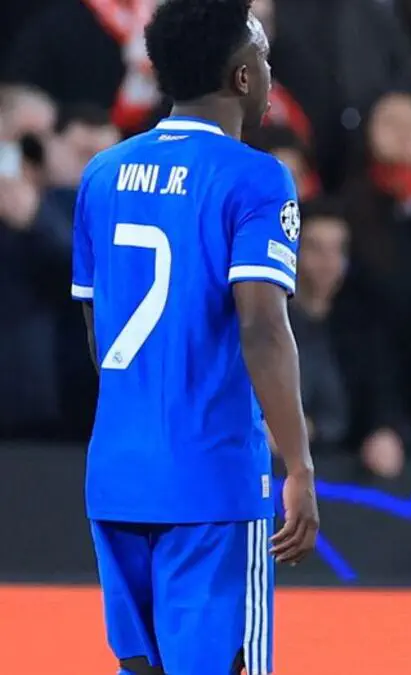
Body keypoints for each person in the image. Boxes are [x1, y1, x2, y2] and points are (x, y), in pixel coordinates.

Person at [70, 1, 319, 673]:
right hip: (212, 479)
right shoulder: (256, 177)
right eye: (263, 59)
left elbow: (97, 331)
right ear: (242, 77)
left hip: (118, 474)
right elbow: (262, 326)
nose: (269, 73)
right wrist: (298, 465)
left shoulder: (102, 174)